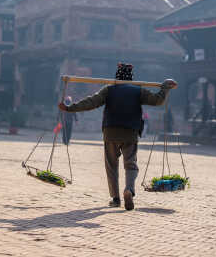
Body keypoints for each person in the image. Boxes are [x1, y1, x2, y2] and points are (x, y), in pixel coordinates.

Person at [58, 62, 177, 210]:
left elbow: (91, 102)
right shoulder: (138, 91)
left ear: (117, 76)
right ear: (131, 78)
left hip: (111, 132)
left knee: (111, 165)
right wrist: (165, 87)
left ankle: (115, 198)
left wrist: (70, 108)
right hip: (130, 132)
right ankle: (129, 189)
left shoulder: (109, 90)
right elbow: (158, 100)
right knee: (131, 164)